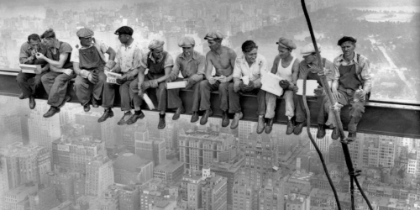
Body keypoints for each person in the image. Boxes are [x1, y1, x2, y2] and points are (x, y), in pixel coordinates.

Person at [325, 36, 372, 142]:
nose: (346, 49)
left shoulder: (362, 60)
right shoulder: (337, 60)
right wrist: (334, 90)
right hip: (343, 90)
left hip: (357, 90)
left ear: (353, 46)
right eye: (343, 47)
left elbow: (367, 79)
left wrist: (364, 91)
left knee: (357, 107)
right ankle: (336, 127)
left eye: (348, 46)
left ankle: (352, 129)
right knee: (333, 103)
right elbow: (335, 78)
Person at [98, 26, 145, 125]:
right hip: (122, 74)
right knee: (107, 82)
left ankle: (127, 112)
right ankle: (107, 110)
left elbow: (139, 68)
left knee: (123, 87)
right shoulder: (120, 47)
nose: (119, 38)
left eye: (120, 36)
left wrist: (127, 76)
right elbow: (118, 63)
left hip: (133, 75)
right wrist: (112, 71)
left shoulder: (137, 48)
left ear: (127, 36)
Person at [130, 38, 174, 129]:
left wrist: (153, 82)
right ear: (152, 51)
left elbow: (167, 75)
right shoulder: (146, 56)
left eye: (161, 51)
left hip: (162, 78)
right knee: (134, 85)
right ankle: (138, 111)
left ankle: (162, 115)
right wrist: (140, 84)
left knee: (161, 90)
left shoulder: (168, 57)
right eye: (158, 52)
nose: (160, 53)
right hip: (150, 75)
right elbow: (141, 72)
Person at [293, 43, 334, 137]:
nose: (304, 58)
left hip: (322, 89)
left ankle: (321, 124)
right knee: (298, 93)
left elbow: (329, 83)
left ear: (315, 55)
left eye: (306, 56)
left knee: (324, 96)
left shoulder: (328, 64)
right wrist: (299, 86)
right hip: (308, 88)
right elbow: (301, 79)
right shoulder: (303, 64)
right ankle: (300, 120)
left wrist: (322, 89)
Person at [71, 28, 116, 112]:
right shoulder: (76, 48)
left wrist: (107, 67)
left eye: (90, 37)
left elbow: (112, 52)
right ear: (80, 39)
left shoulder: (98, 43)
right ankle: (85, 103)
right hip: (84, 70)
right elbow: (76, 68)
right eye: (86, 38)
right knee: (78, 84)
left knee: (102, 79)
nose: (89, 40)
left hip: (99, 68)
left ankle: (95, 98)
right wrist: (87, 74)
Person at [228, 40, 268, 132]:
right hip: (245, 83)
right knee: (231, 87)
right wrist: (239, 84)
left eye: (255, 54)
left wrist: (254, 84)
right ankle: (237, 113)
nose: (254, 56)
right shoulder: (239, 59)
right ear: (244, 53)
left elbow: (264, 77)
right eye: (251, 54)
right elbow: (236, 76)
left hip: (257, 84)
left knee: (263, 89)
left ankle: (261, 117)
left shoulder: (262, 60)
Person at [199, 31, 237, 127]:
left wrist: (227, 78)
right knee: (203, 84)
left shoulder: (230, 53)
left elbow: (237, 72)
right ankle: (207, 110)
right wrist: (209, 78)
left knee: (222, 86)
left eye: (211, 42)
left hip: (229, 80)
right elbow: (208, 71)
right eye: (208, 42)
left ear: (219, 42)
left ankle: (225, 112)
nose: (208, 45)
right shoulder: (209, 55)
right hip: (218, 78)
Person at [264, 37, 299, 134]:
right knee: (270, 94)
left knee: (289, 97)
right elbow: (272, 73)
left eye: (282, 51)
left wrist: (288, 85)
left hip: (288, 87)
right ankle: (269, 118)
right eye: (279, 51)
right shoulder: (277, 58)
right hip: (278, 85)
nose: (280, 53)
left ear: (289, 51)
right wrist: (269, 83)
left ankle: (290, 119)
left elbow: (295, 81)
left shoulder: (295, 62)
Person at [167, 36, 205, 122]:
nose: (186, 50)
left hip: (196, 80)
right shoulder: (179, 58)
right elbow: (175, 71)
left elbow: (201, 74)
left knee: (198, 86)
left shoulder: (200, 57)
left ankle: (195, 111)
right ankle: (179, 107)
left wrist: (192, 80)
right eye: (184, 48)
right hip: (186, 80)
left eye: (188, 48)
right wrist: (170, 77)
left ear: (193, 47)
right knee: (170, 85)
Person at [37, 29, 74, 118]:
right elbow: (52, 66)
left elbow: (60, 64)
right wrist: (62, 71)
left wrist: (44, 58)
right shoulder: (49, 49)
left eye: (45, 41)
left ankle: (54, 106)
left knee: (59, 79)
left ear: (52, 39)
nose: (44, 44)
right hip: (61, 70)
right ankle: (64, 97)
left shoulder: (65, 46)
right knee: (45, 78)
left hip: (70, 70)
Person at [17, 33, 49, 109]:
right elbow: (22, 61)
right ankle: (30, 96)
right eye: (33, 44)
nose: (36, 46)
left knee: (38, 81)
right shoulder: (24, 46)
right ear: (29, 43)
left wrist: (44, 69)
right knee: (20, 79)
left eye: (37, 44)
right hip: (29, 67)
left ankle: (26, 92)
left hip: (41, 68)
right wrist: (32, 57)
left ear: (40, 41)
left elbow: (50, 61)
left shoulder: (45, 46)